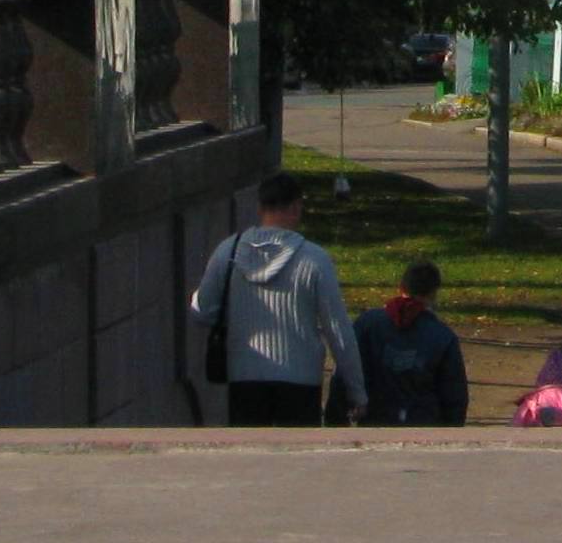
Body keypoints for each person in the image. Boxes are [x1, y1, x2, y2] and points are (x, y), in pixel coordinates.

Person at [189, 171, 366, 427]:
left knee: (250, 457)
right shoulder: (314, 259)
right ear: (296, 207)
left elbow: (201, 311)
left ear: (260, 207)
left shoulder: (228, 251)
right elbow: (338, 330)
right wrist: (356, 391)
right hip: (301, 380)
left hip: (244, 376)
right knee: (295, 460)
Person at [349, 258, 468, 426]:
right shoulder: (443, 336)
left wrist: (337, 417)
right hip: (424, 426)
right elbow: (455, 395)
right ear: (433, 293)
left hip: (374, 424)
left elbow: (347, 371)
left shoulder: (367, 324)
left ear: (401, 287)